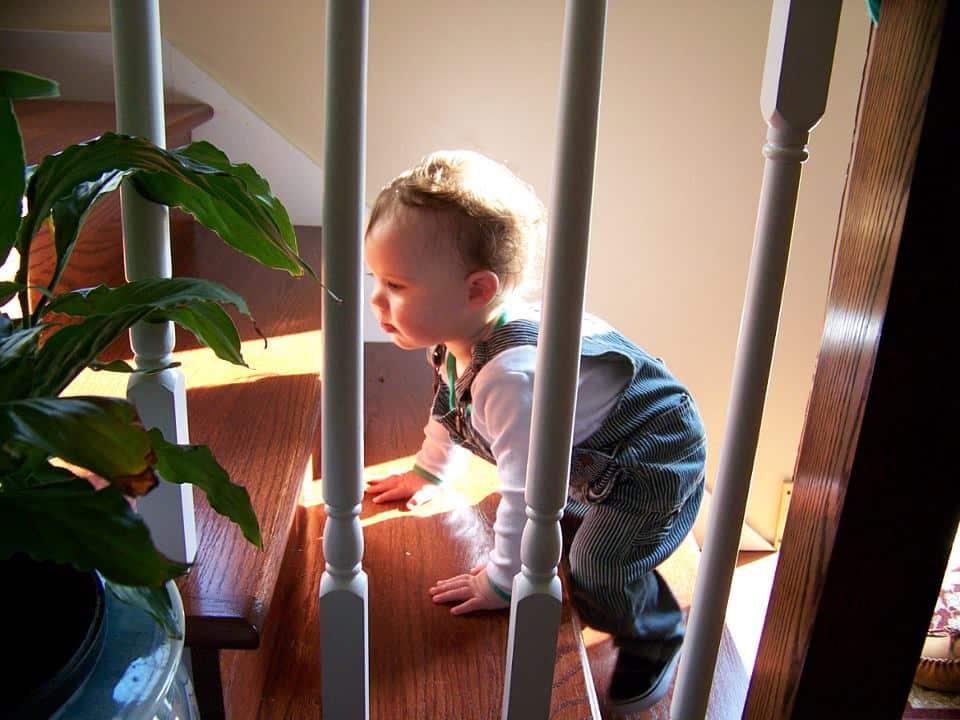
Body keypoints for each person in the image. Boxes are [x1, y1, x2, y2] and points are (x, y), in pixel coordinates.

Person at [363, 149, 706, 714]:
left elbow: (527, 496)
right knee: (564, 526)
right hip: (595, 453)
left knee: (597, 567)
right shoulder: (462, 342)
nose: (378, 299)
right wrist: (428, 470)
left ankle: (656, 630)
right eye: (376, 278)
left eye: (396, 285)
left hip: (650, 457)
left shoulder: (508, 377)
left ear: (477, 290)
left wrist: (501, 581)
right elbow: (448, 409)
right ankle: (588, 514)